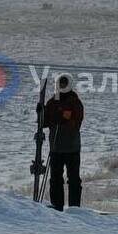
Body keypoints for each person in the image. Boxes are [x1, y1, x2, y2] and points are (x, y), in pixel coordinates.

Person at [42, 74, 84, 211]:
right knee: (55, 179)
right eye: (61, 83)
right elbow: (44, 122)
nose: (62, 86)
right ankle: (57, 206)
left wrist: (63, 119)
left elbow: (76, 123)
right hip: (56, 147)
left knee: (73, 180)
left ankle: (74, 208)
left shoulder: (75, 102)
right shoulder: (52, 102)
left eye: (64, 83)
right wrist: (41, 112)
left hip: (71, 147)